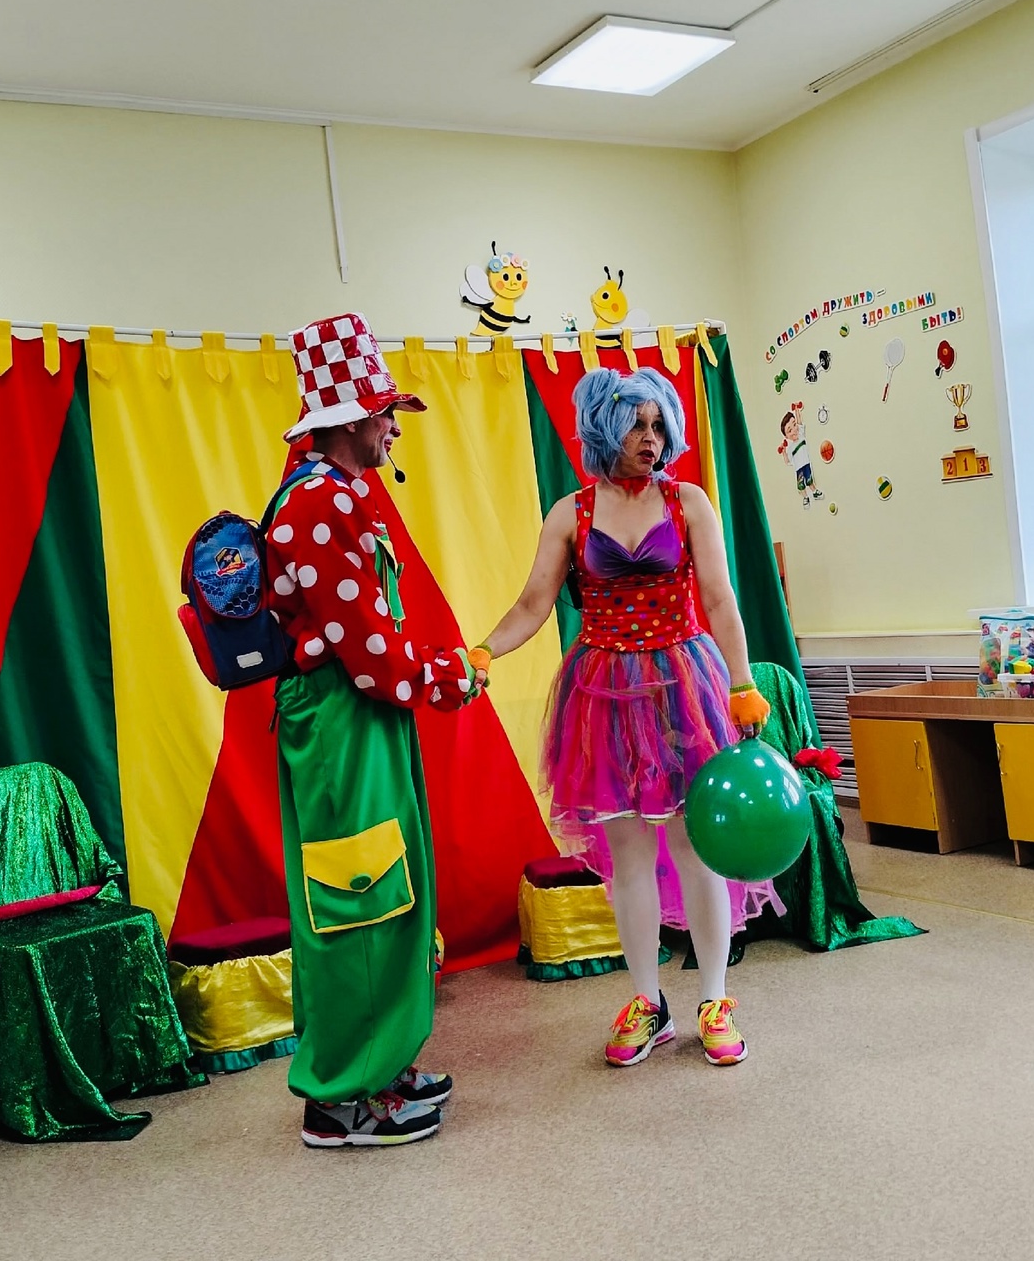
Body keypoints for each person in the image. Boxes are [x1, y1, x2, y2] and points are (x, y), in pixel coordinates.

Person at [470, 366, 779, 1068]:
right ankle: (648, 1001)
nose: (652, 438)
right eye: (637, 424)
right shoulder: (571, 512)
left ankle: (714, 998)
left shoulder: (688, 501)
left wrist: (742, 682)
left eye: (659, 424)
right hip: (603, 693)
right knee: (629, 858)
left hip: (684, 688)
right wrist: (484, 650)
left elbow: (720, 598)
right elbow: (532, 604)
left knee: (697, 847)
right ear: (604, 429)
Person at [268, 313, 478, 1147]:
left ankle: (381, 1067)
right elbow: (368, 655)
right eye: (386, 411)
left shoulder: (337, 493)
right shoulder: (320, 500)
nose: (393, 425)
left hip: (359, 719)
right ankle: (341, 1099)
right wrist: (449, 675)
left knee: (387, 889)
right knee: (358, 897)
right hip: (343, 722)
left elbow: (370, 642)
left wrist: (424, 673)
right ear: (351, 417)